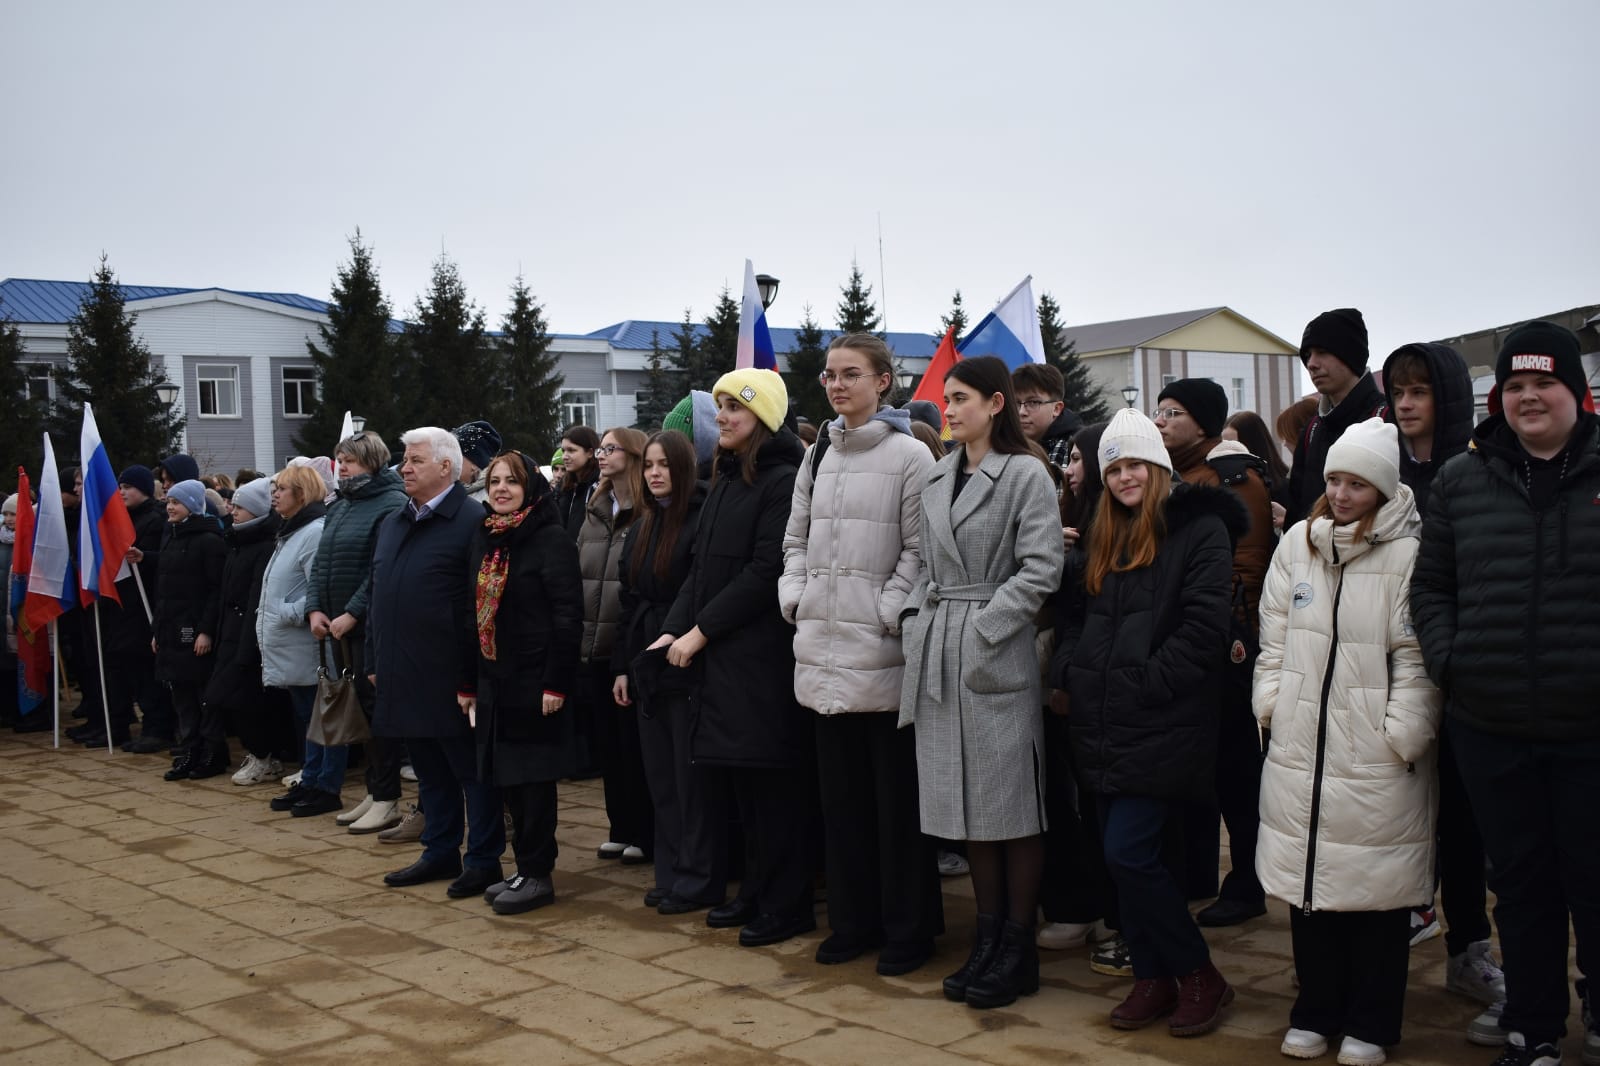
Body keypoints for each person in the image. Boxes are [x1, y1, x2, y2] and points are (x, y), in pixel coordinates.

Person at [1410, 321, 1600, 1066]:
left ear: (1576, 392)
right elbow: (1432, 587)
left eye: (1544, 383)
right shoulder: (1463, 478)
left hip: (1590, 728)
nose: (1528, 397)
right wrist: (1452, 662)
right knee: (1520, 886)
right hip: (1490, 723)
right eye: (1515, 385)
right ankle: (1533, 1026)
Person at [1254, 417, 1440, 1066]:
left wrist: (1403, 735)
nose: (1339, 493)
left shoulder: (1408, 555)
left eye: (1356, 484)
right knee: (1311, 886)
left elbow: (1417, 656)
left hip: (1376, 754)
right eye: (1333, 479)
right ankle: (1316, 1009)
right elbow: (1274, 634)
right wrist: (1272, 705)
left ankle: (1372, 1021)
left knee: (1377, 893)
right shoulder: (1297, 545)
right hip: (1302, 744)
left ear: (1382, 489)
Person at [1052, 406, 1241, 1037]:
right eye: (1113, 469)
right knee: (1121, 859)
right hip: (1102, 719)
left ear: (1157, 466)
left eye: (1135, 464)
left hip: (1163, 719)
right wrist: (1073, 672)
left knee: (1129, 853)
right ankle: (1154, 975)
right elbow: (1079, 617)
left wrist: (1144, 684)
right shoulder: (1106, 529)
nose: (1124, 477)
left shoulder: (1200, 528)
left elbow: (1204, 628)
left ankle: (1198, 974)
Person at [899, 355, 1063, 1010]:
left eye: (962, 397)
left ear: (996, 403)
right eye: (947, 398)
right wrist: (915, 621)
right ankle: (987, 938)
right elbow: (923, 566)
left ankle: (1017, 947)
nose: (950, 409)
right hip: (940, 651)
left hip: (994, 654)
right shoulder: (937, 475)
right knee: (962, 804)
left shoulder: (1026, 474)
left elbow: (1042, 568)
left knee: (1010, 806)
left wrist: (985, 627)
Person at [781, 334, 942, 976]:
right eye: (829, 375)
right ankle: (852, 923)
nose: (837, 385)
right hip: (821, 651)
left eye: (851, 374)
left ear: (883, 382)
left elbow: (922, 550)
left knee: (895, 806)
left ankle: (908, 929)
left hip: (882, 653)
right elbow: (795, 538)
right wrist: (796, 594)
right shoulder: (818, 453)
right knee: (841, 804)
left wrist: (887, 608)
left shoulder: (910, 456)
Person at [656, 369, 815, 948]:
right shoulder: (727, 476)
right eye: (720, 406)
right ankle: (754, 890)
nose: (721, 417)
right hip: (724, 659)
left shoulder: (784, 480)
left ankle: (787, 904)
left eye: (734, 407)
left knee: (773, 790)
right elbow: (702, 568)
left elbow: (765, 571)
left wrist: (699, 632)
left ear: (763, 417)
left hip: (761, 659)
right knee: (742, 787)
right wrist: (673, 628)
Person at [1381, 341, 1504, 1002]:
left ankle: (1469, 947)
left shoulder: (1477, 470)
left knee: (1462, 822)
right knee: (1394, 811)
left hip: (1455, 673)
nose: (1406, 404)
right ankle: (1383, 940)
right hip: (1388, 672)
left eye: (1419, 391)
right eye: (1398, 392)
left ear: (1447, 397)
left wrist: (1454, 655)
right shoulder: (1381, 468)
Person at [1152, 379, 1273, 926]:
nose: (1160, 421)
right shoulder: (1170, 474)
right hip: (1188, 640)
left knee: (1235, 769)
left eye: (1173, 413)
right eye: (1158, 411)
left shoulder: (1232, 478)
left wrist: (1220, 630)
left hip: (1225, 644)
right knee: (1196, 764)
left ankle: (1247, 882)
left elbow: (1243, 567)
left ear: (1202, 423)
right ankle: (1200, 873)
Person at [367, 427, 506, 898]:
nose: (403, 468)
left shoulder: (472, 521)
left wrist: (473, 676)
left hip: (452, 675)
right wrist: (374, 657)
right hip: (402, 670)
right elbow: (379, 594)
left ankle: (483, 860)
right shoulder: (394, 522)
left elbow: (480, 606)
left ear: (446, 467)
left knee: (472, 773)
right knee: (429, 772)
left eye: (415, 460)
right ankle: (440, 850)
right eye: (404, 460)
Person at [461, 451, 584, 915]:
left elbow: (568, 617)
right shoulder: (487, 535)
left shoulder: (550, 539)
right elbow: (471, 612)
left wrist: (556, 683)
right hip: (496, 680)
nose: (501, 489)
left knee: (533, 785)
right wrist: (468, 682)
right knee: (508, 783)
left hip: (535, 682)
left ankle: (538, 873)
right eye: (494, 481)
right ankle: (522, 868)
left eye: (511, 481)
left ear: (530, 487)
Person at [613, 430, 712, 913]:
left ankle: (697, 876)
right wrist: (622, 667)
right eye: (649, 465)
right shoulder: (642, 525)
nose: (654, 473)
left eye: (664, 465)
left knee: (689, 778)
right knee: (660, 776)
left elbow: (698, 590)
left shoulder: (700, 519)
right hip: (645, 660)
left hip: (684, 659)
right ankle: (670, 872)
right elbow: (627, 600)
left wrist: (673, 638)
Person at [307, 431, 409, 833]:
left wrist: (352, 612)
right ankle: (374, 790)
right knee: (361, 713)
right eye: (340, 460)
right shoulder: (341, 505)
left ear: (371, 461)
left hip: (368, 627)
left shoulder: (392, 503)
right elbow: (322, 562)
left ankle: (387, 797)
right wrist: (315, 608)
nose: (342, 468)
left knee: (378, 712)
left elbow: (379, 569)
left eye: (349, 460)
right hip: (337, 628)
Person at [578, 427, 651, 864]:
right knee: (607, 744)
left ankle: (644, 828)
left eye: (610, 448)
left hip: (626, 641)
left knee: (633, 746)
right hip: (593, 642)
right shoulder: (596, 510)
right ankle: (619, 825)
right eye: (600, 449)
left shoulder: (645, 511)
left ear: (633, 454)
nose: (601, 455)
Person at [202, 476, 294, 786]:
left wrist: (246, 648)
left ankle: (265, 757)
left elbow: (256, 598)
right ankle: (260, 754)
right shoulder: (237, 542)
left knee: (247, 701)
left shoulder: (263, 546)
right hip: (229, 634)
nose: (233, 511)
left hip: (247, 638)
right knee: (227, 698)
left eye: (240, 507)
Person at [68, 465, 166, 750]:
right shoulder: (120, 518)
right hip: (117, 605)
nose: (122, 492)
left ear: (144, 489)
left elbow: (159, 561)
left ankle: (156, 728)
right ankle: (115, 724)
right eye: (120, 487)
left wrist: (143, 557)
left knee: (143, 670)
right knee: (119, 668)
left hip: (141, 607)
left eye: (128, 487)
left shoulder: (154, 520)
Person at [257, 466, 337, 815]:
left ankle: (326, 786)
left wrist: (286, 612)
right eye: (274, 488)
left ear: (302, 494)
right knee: (308, 716)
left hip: (308, 644)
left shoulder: (313, 532)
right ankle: (311, 779)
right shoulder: (291, 531)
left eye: (282, 489)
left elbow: (321, 589)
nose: (274, 494)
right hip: (294, 646)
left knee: (324, 719)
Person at [151, 479, 226, 780]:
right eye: (169, 501)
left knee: (201, 694)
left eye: (176, 502)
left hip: (193, 631)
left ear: (193, 506)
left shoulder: (209, 541)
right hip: (170, 629)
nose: (170, 507)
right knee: (181, 696)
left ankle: (212, 752)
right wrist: (157, 630)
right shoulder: (171, 537)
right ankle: (190, 750)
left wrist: (206, 630)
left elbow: (215, 590)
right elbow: (163, 591)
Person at [1286, 309, 1388, 524]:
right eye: (1307, 355)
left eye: (1322, 352)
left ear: (1350, 354)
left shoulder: (1386, 419)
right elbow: (1297, 509)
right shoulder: (1312, 429)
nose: (1311, 364)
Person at [1223, 410, 1291, 522]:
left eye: (1234, 446)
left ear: (1253, 445)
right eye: (1224, 445)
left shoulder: (1286, 488)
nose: (1227, 452)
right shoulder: (1222, 485)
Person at [1013, 362, 1083, 466]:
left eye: (1033, 402)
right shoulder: (1001, 445)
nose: (1021, 412)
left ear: (1056, 409)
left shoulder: (1079, 447)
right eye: (1016, 403)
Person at [555, 425, 601, 536]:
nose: (564, 456)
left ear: (590, 452)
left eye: (571, 450)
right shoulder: (563, 486)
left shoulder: (600, 487)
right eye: (563, 450)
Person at [452, 420, 502, 503]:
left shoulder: (493, 496)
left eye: (456, 457)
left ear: (474, 463)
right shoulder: (447, 489)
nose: (451, 463)